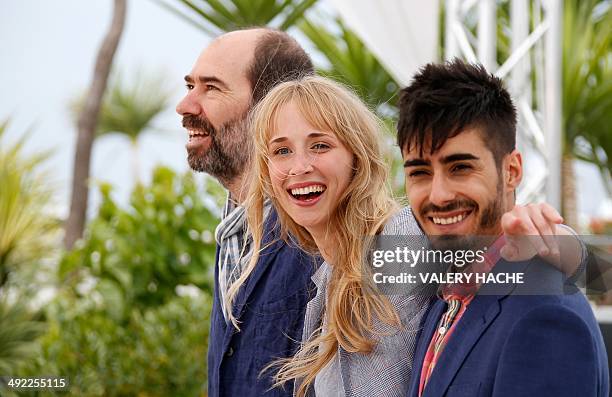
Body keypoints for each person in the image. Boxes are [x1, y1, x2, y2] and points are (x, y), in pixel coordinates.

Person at [241, 75, 590, 396]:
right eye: (281, 151)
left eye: (319, 146)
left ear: (356, 157)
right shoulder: (326, 278)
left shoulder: (397, 240)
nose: (299, 166)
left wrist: (557, 238)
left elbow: (530, 254)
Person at [398, 60, 609, 397]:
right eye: (420, 172)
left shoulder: (547, 316)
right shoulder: (443, 299)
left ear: (511, 171)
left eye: (460, 167)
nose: (438, 195)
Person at [176, 28, 316, 397]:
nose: (186, 105)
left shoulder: (323, 231)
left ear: (270, 106)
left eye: (211, 88)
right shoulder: (231, 235)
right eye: (190, 85)